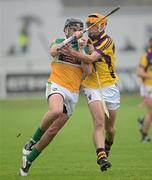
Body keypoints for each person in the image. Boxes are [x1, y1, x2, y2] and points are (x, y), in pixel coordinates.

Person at [19, 18, 91, 176]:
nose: (76, 31)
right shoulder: (59, 41)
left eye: (79, 29)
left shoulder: (84, 47)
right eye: (73, 29)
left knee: (52, 131)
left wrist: (81, 50)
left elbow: (87, 72)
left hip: (73, 92)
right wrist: (72, 39)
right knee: (56, 110)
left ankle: (29, 160)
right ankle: (32, 140)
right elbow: (53, 51)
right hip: (57, 84)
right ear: (66, 30)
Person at [61, 13, 120, 171]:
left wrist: (74, 52)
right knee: (99, 122)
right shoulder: (84, 38)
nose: (90, 28)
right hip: (91, 86)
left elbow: (91, 58)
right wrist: (76, 39)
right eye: (89, 25)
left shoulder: (107, 40)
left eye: (94, 25)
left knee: (111, 129)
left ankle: (107, 146)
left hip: (109, 86)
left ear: (102, 26)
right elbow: (66, 42)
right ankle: (101, 157)